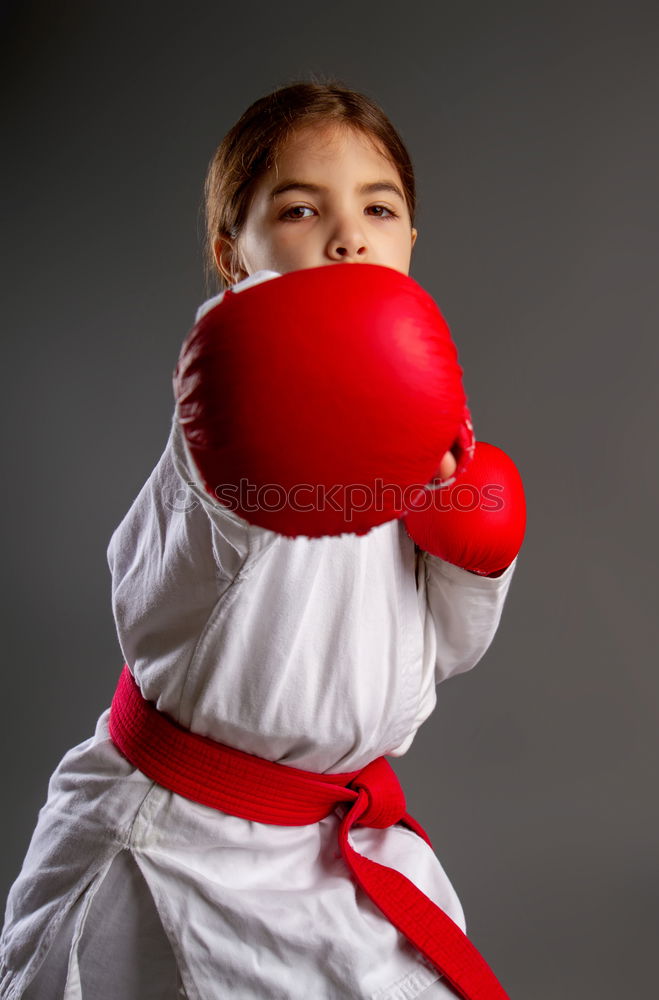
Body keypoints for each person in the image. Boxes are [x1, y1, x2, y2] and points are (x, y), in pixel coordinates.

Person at [0, 79, 524, 1000]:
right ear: (232, 257)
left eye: (378, 206)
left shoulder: (429, 406)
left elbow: (438, 651)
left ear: (408, 241)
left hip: (331, 844)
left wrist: (475, 554)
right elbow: (151, 593)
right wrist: (253, 455)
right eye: (298, 209)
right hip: (181, 844)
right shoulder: (227, 400)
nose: (347, 234)